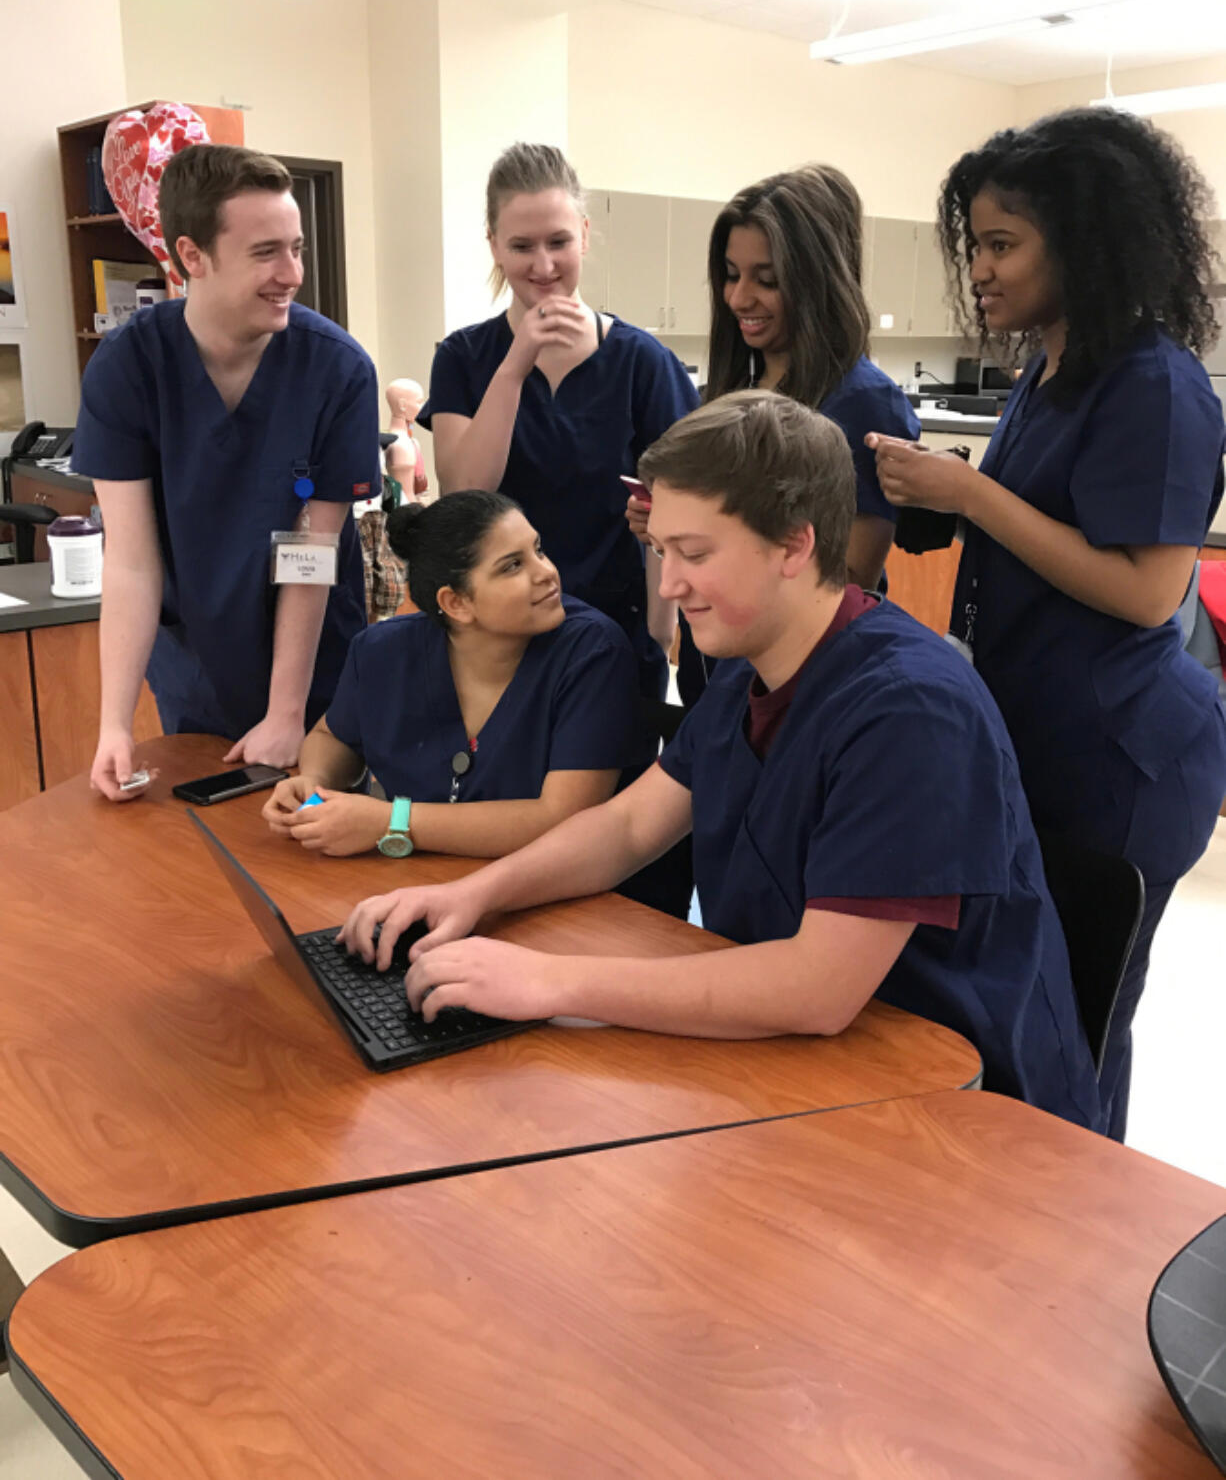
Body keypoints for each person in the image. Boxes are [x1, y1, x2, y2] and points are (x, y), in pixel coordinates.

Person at [336, 392, 1102, 1131]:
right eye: (662, 550)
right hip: (805, 1069)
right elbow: (633, 825)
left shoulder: (909, 710)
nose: (668, 584)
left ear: (795, 544)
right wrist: (474, 894)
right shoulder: (753, 660)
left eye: (694, 554)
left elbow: (816, 989)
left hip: (955, 1103)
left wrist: (546, 979)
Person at [867, 107, 1226, 1140]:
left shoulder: (1153, 382)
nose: (976, 269)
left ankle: (1084, 1239)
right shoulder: (1050, 366)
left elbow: (1144, 591)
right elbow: (1039, 522)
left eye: (1000, 244)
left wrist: (972, 496)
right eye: (971, 244)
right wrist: (937, 498)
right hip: (1038, 730)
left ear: (1080, 241)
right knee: (1029, 1004)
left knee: (1079, 1022)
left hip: (1120, 760)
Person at [74, 144, 379, 799]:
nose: (292, 273)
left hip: (317, 669)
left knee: (314, 838)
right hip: (196, 662)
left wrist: (288, 712)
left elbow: (311, 553)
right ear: (193, 256)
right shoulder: (129, 368)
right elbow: (130, 561)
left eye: (296, 247)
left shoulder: (338, 371)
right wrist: (113, 724)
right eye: (265, 252)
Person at [422, 142, 699, 699]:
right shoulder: (463, 359)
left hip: (615, 636)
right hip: (497, 646)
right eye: (522, 246)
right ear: (494, 246)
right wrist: (515, 364)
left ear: (586, 236)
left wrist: (656, 636)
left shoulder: (642, 364)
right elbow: (465, 493)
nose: (543, 266)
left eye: (559, 242)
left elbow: (671, 509)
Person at [263, 491, 638, 858]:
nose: (547, 572)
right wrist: (314, 782)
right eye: (512, 566)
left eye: (538, 550)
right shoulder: (381, 652)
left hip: (548, 896)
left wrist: (393, 821)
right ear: (455, 603)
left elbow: (564, 819)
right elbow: (334, 736)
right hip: (409, 886)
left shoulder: (593, 651)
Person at [627, 165, 920, 600]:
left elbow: (850, 579)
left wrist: (711, 539)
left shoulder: (864, 404)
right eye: (731, 274)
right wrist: (668, 527)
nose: (740, 298)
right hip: (716, 657)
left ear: (817, 284)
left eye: (767, 280)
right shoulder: (730, 391)